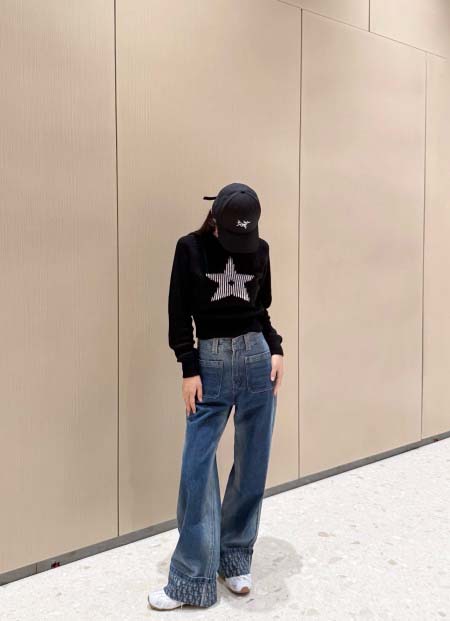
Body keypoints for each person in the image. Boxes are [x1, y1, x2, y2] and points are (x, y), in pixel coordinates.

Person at [148, 182, 284, 610]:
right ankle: (192, 578)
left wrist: (276, 347)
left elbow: (260, 309)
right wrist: (188, 367)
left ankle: (235, 557)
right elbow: (178, 313)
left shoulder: (260, 249)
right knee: (197, 471)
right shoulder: (189, 249)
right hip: (210, 364)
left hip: (257, 360)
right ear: (214, 219)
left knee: (252, 464)